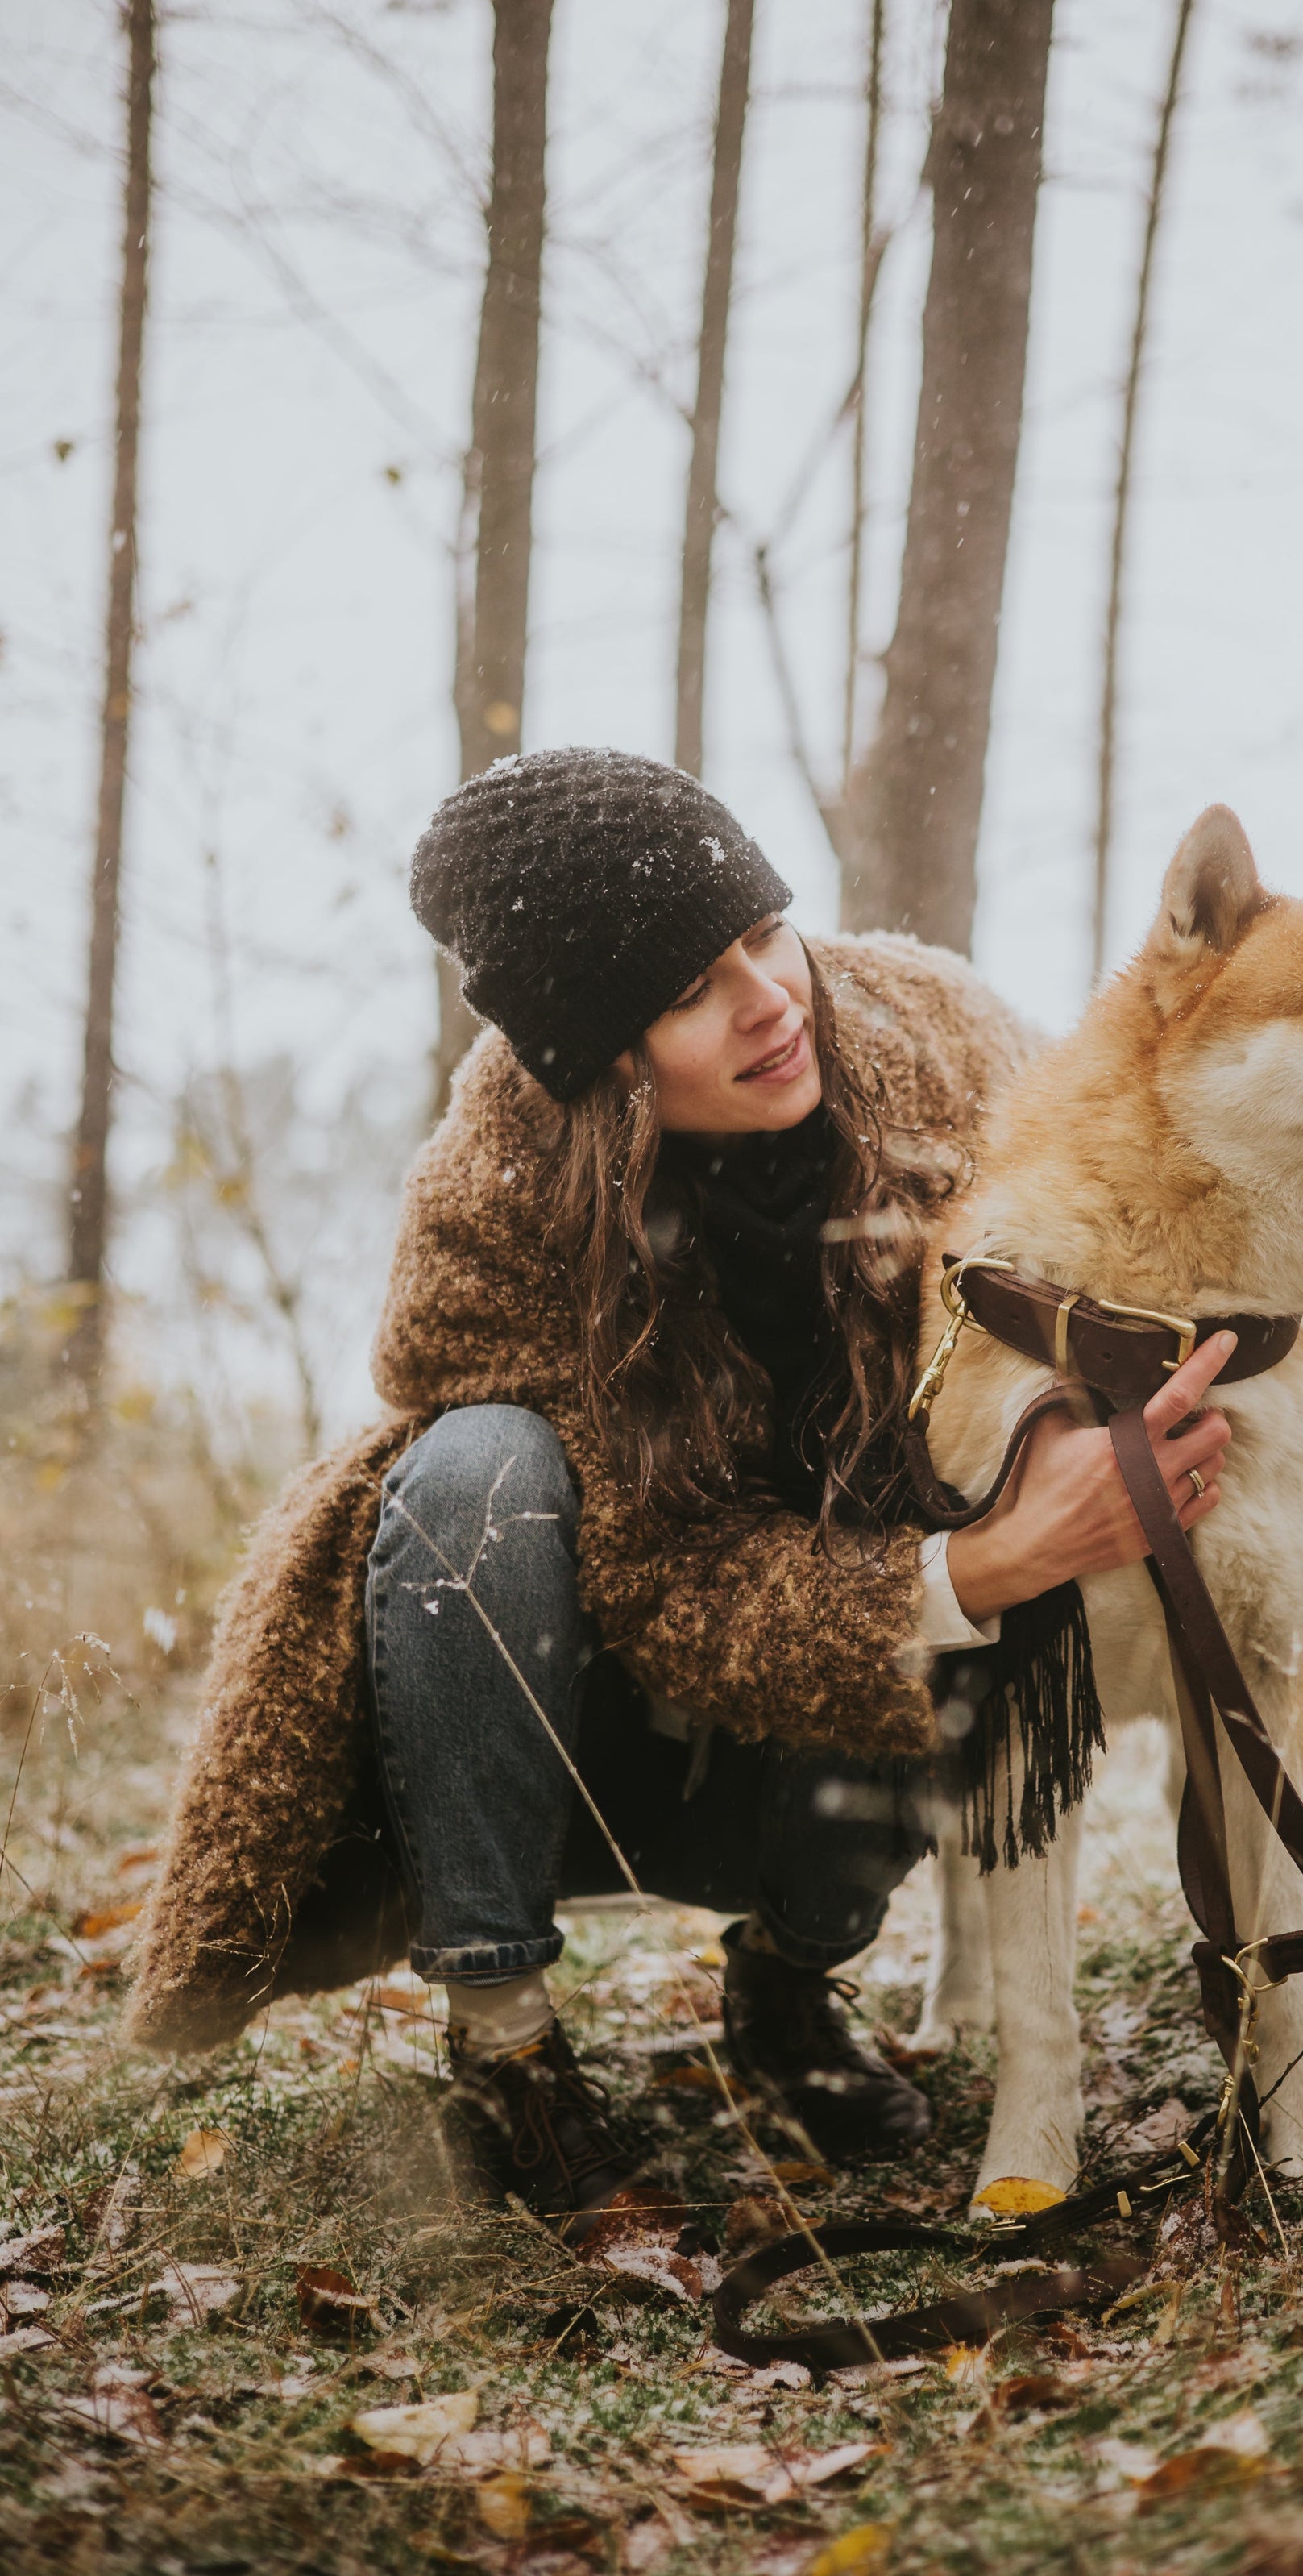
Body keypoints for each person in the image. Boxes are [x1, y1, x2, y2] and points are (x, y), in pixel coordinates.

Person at [127, 749, 1230, 2238]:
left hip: (838, 1723)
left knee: (967, 1494)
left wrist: (1106, 1436)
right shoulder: (499, 1209)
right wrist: (989, 1566)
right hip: (568, 1726)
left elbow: (1137, 1193)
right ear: (600, 1058)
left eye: (765, 932)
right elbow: (671, 1581)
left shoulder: (949, 1049)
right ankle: (508, 2048)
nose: (771, 996)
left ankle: (791, 1978)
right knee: (472, 1474)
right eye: (692, 987)